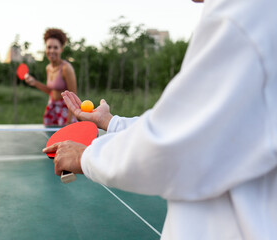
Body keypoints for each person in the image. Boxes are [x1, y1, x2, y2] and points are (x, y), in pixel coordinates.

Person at [44, 0, 277, 239]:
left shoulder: (242, 13)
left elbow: (175, 147)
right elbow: (189, 123)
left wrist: (85, 156)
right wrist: (111, 122)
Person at [23, 28, 77, 126]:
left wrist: (69, 122)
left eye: (55, 47)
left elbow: (74, 97)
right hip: (52, 108)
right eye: (49, 47)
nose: (51, 50)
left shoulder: (66, 68)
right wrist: (35, 82)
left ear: (61, 49)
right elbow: (52, 91)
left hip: (65, 111)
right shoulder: (48, 68)